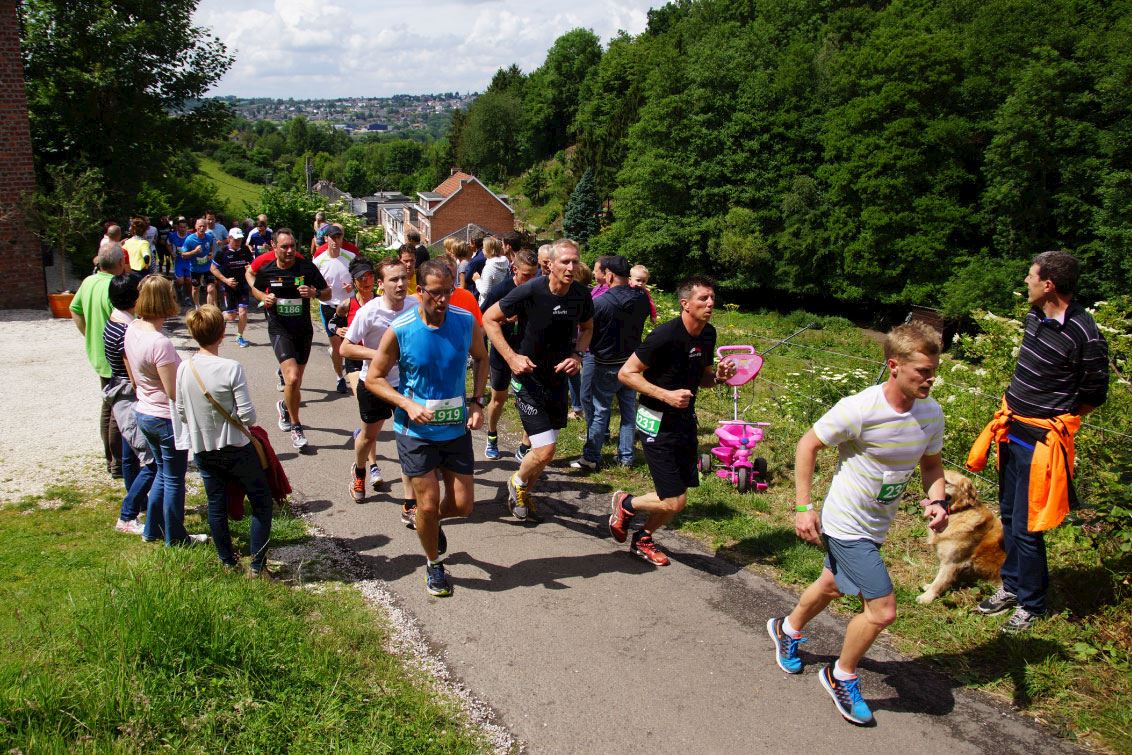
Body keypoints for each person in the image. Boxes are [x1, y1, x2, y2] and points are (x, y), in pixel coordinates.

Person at [764, 321, 947, 726]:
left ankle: (788, 629)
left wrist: (937, 501)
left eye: (934, 371)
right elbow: (807, 444)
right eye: (922, 371)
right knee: (882, 610)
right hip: (846, 523)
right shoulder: (860, 408)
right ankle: (840, 674)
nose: (930, 380)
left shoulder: (931, 413)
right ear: (894, 365)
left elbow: (932, 465)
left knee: (832, 584)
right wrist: (802, 507)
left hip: (878, 522)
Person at [967, 250, 1109, 633]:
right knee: (1010, 516)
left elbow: (1094, 394)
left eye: (1030, 276)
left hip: (1042, 442)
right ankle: (1012, 584)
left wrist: (1054, 419)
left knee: (1029, 527)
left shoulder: (1084, 333)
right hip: (1011, 431)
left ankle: (1032, 603)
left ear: (1048, 284)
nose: (1026, 282)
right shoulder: (1034, 316)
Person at [366, 258, 489, 597]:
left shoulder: (465, 322)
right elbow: (374, 379)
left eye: (449, 291)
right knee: (429, 504)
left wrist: (477, 401)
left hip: (454, 429)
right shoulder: (401, 329)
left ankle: (429, 525)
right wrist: (406, 404)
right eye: (435, 293)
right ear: (419, 292)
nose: (444, 300)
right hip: (414, 432)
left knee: (463, 506)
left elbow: (482, 357)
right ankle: (434, 563)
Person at [609, 275, 734, 565]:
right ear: (685, 304)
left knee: (679, 491)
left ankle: (643, 539)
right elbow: (626, 374)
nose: (710, 303)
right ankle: (626, 503)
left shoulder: (707, 333)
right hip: (655, 419)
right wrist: (665, 395)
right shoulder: (664, 335)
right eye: (703, 298)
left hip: (685, 420)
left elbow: (702, 375)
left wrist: (717, 377)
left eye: (712, 298)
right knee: (675, 500)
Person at [483, 238, 593, 521]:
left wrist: (579, 355)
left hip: (557, 379)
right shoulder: (531, 290)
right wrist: (511, 358)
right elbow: (489, 318)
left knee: (544, 450)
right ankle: (517, 483)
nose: (570, 267)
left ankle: (524, 492)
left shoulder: (581, 294)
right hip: (528, 378)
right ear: (551, 265)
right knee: (545, 450)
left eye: (574, 261)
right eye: (564, 262)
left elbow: (588, 327)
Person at [176, 305, 274, 577]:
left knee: (215, 505)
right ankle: (257, 566)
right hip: (235, 447)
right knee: (261, 501)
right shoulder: (231, 368)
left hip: (203, 448)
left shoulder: (184, 368)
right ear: (222, 333)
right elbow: (248, 416)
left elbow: (182, 411)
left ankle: (227, 561)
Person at [125, 276, 208, 547]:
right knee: (174, 479)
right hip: (163, 417)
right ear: (165, 300)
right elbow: (174, 391)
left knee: (161, 471)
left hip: (144, 410)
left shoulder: (133, 329)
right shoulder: (159, 343)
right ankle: (177, 537)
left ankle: (152, 529)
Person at [341, 258, 418, 512]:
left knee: (408, 440)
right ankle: (360, 471)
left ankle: (410, 502)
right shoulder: (369, 312)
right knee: (369, 436)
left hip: (406, 384)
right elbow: (346, 347)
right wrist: (380, 355)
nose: (400, 284)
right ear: (381, 284)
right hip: (374, 383)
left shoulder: (415, 306)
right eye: (393, 280)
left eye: (403, 278)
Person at [245, 228, 331, 449]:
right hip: (279, 329)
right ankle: (296, 426)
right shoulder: (267, 270)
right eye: (284, 246)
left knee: (297, 382)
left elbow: (328, 292)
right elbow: (255, 289)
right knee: (292, 379)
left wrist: (314, 294)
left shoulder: (306, 268)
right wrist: (265, 297)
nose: (290, 250)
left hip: (303, 330)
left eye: (292, 246)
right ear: (274, 247)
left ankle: (285, 405)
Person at [572, 255, 651, 470]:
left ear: (610, 275)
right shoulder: (642, 298)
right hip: (631, 363)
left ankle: (591, 457)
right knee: (628, 412)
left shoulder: (600, 303)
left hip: (605, 363)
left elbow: (589, 333)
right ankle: (626, 457)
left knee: (600, 411)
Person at [103, 272, 155, 534]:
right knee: (151, 460)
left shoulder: (113, 320)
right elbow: (133, 375)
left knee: (129, 456)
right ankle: (128, 514)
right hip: (129, 396)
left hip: (118, 391)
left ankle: (141, 503)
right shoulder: (126, 329)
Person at [71, 243, 127, 477]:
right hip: (113, 357)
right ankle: (116, 463)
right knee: (116, 409)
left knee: (107, 407)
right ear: (119, 263)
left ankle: (111, 458)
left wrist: (88, 334)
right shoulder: (111, 286)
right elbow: (122, 320)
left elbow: (75, 308)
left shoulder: (88, 281)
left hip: (98, 353)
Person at [481, 248, 538, 461]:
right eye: (526, 275)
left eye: (535, 275)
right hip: (501, 352)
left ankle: (525, 445)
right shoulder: (500, 291)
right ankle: (492, 436)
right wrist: (505, 319)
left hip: (526, 353)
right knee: (499, 398)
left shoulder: (537, 290)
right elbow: (484, 319)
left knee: (531, 400)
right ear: (514, 269)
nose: (531, 280)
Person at [313, 224, 357, 394]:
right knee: (337, 345)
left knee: (352, 340)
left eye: (339, 238)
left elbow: (360, 277)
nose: (336, 241)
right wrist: (320, 290)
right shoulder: (318, 261)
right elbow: (311, 282)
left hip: (348, 305)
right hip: (329, 307)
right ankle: (340, 377)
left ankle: (355, 373)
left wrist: (352, 285)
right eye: (333, 237)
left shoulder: (350, 256)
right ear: (326, 239)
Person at [210, 227, 255, 348]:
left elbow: (252, 266)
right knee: (231, 316)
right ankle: (220, 318)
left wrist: (250, 269)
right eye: (235, 239)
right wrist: (226, 280)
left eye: (240, 239)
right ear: (229, 238)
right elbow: (213, 269)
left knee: (243, 312)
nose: (238, 241)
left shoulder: (245, 250)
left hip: (243, 286)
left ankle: (239, 336)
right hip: (228, 288)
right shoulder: (222, 252)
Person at [181, 217, 218, 308]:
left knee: (211, 289)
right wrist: (194, 252)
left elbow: (211, 247)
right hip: (195, 268)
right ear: (196, 227)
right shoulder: (190, 239)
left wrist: (211, 253)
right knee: (195, 288)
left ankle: (209, 309)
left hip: (207, 267)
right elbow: (183, 255)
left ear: (206, 227)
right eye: (200, 226)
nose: (202, 228)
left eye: (204, 226)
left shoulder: (209, 236)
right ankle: (197, 306)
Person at [476, 236, 510, 308]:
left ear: (489, 250)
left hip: (487, 304)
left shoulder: (490, 267)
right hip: (498, 301)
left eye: (484, 248)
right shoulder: (505, 262)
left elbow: (485, 291)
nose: (482, 249)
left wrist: (477, 280)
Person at [168, 217, 192, 305]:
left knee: (189, 280)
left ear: (187, 227)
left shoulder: (190, 236)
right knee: (180, 281)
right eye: (180, 227)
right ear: (177, 227)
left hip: (188, 261)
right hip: (178, 261)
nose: (182, 229)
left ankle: (188, 297)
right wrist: (172, 253)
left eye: (184, 227)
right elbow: (168, 244)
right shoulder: (172, 235)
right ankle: (178, 289)